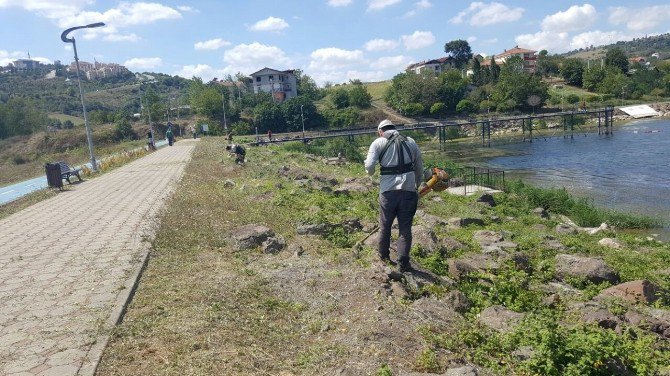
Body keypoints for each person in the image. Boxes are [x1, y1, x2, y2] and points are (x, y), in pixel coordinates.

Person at [364, 119, 423, 273]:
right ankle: (403, 263)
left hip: (388, 192)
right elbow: (419, 166)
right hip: (409, 191)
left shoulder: (378, 142)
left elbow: (369, 166)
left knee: (385, 225)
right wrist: (417, 184)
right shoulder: (410, 141)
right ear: (394, 129)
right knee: (405, 229)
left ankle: (383, 257)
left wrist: (370, 174)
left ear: (380, 131)